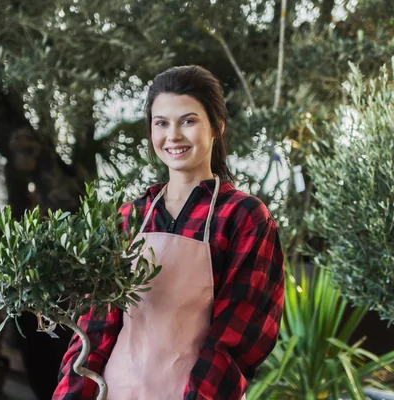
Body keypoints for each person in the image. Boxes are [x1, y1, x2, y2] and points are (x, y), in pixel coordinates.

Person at [53, 65, 285, 400]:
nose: (172, 135)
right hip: (113, 391)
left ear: (216, 126)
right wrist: (72, 393)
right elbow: (96, 322)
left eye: (188, 121)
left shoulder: (244, 218)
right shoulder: (130, 216)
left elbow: (239, 339)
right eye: (161, 123)